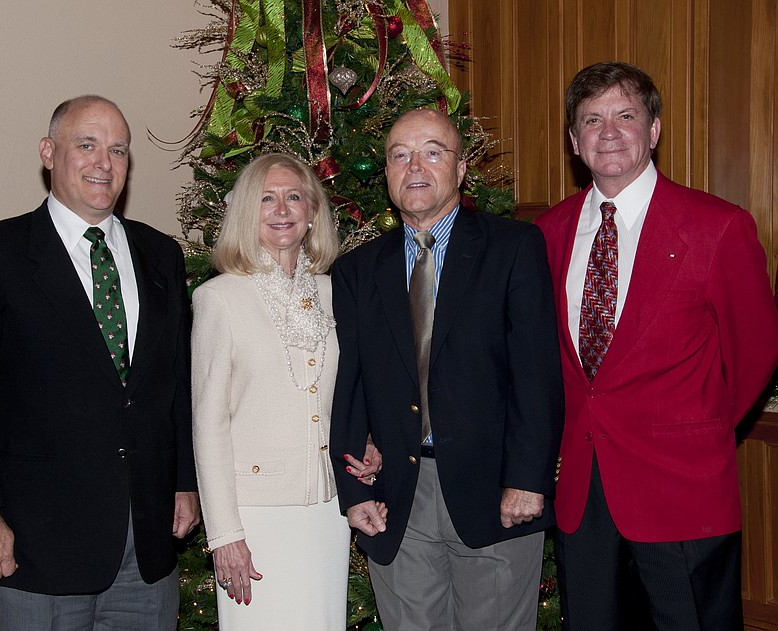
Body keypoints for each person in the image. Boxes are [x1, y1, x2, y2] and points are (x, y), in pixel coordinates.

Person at [0, 95, 200, 630]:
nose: (104, 162)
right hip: (34, 547)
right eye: (87, 145)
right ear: (49, 153)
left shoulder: (161, 254)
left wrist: (184, 481)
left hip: (145, 547)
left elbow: (179, 384)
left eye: (118, 150)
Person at [535, 61, 778, 630]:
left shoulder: (717, 227)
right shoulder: (546, 235)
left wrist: (698, 427)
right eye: (592, 119)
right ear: (574, 141)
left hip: (683, 490)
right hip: (582, 495)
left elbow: (757, 351)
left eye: (626, 115)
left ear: (655, 129)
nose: (610, 131)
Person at [329, 108, 564, 630]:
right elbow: (350, 387)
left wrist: (528, 479)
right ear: (386, 174)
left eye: (433, 152)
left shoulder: (514, 248)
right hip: (398, 501)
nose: (415, 165)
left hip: (497, 494)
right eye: (399, 155)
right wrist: (356, 490)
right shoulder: (356, 271)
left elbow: (536, 374)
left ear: (459, 170)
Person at [191, 153, 380, 629]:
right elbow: (208, 424)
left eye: (294, 197)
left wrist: (371, 443)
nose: (282, 209)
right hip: (253, 516)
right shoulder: (219, 298)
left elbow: (355, 391)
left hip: (326, 511)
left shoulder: (336, 293)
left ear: (313, 212)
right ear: (245, 213)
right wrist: (225, 534)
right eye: (267, 199)